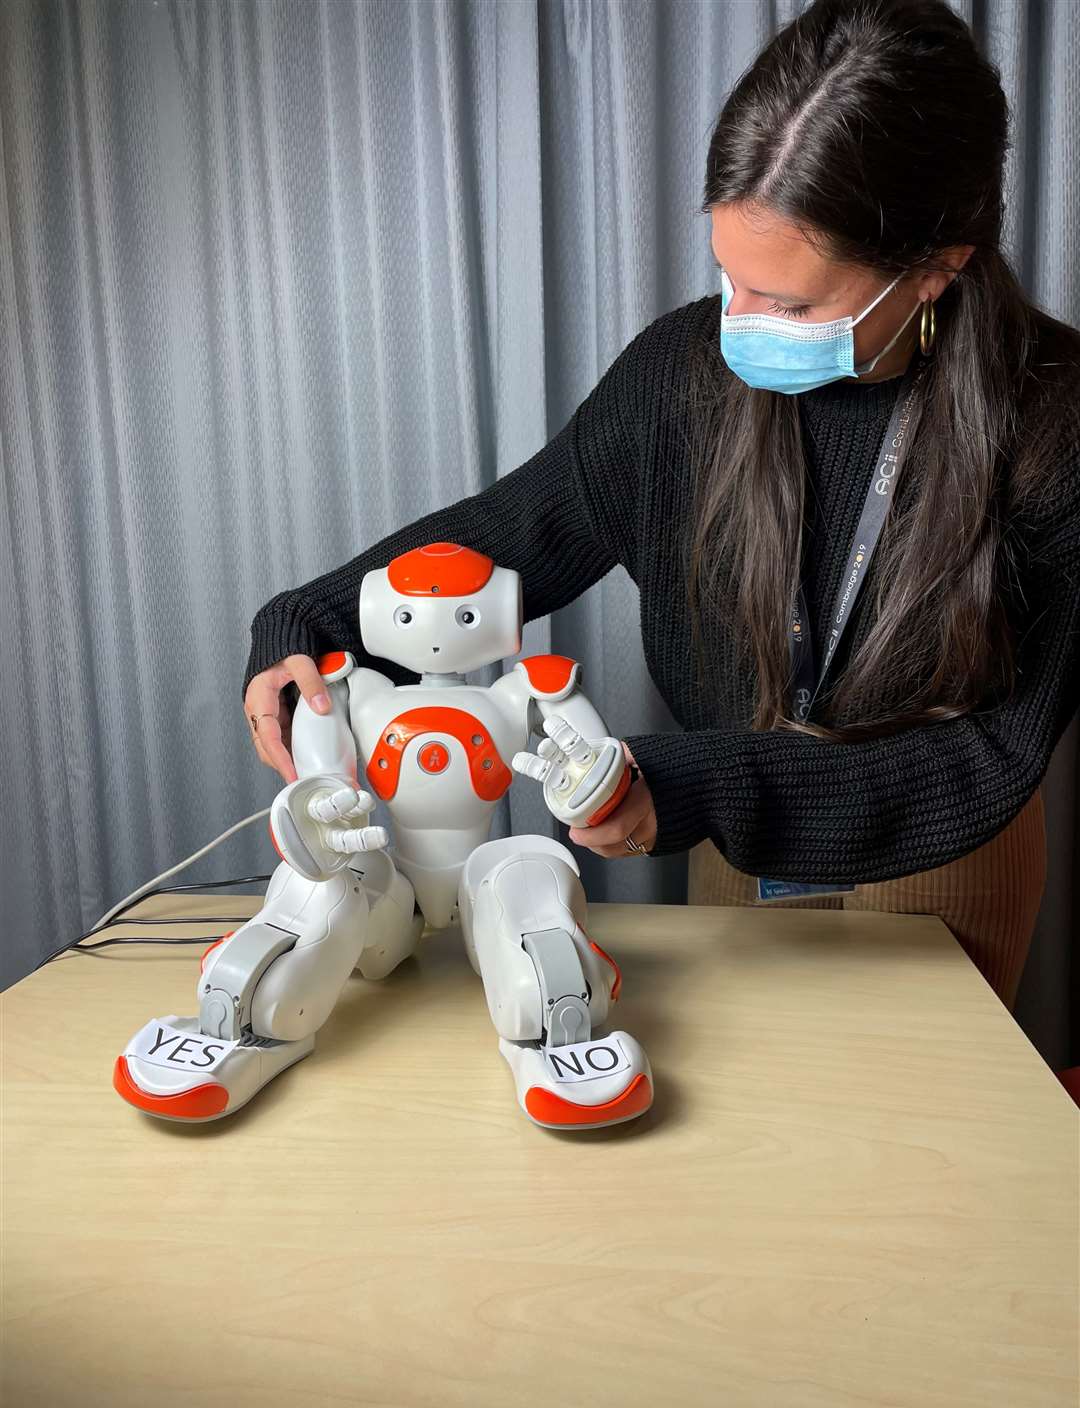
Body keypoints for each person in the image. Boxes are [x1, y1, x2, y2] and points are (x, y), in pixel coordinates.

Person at [242, 0, 1080, 1009]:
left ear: (937, 268)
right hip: (732, 852)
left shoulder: (1055, 426)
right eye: (731, 279)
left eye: (793, 303)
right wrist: (302, 626)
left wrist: (687, 786)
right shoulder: (679, 375)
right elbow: (508, 533)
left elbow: (990, 755)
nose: (743, 327)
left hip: (944, 860)